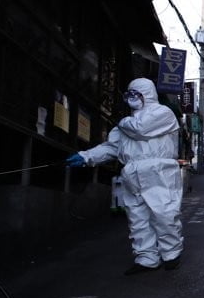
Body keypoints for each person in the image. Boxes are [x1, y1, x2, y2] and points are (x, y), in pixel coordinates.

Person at [66, 77, 184, 275]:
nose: (131, 98)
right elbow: (111, 148)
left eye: (136, 93)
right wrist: (86, 157)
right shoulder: (125, 124)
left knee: (164, 214)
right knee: (138, 218)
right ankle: (146, 258)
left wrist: (121, 121)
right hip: (132, 172)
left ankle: (171, 255)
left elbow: (141, 129)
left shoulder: (162, 113)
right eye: (128, 94)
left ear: (147, 94)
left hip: (159, 170)